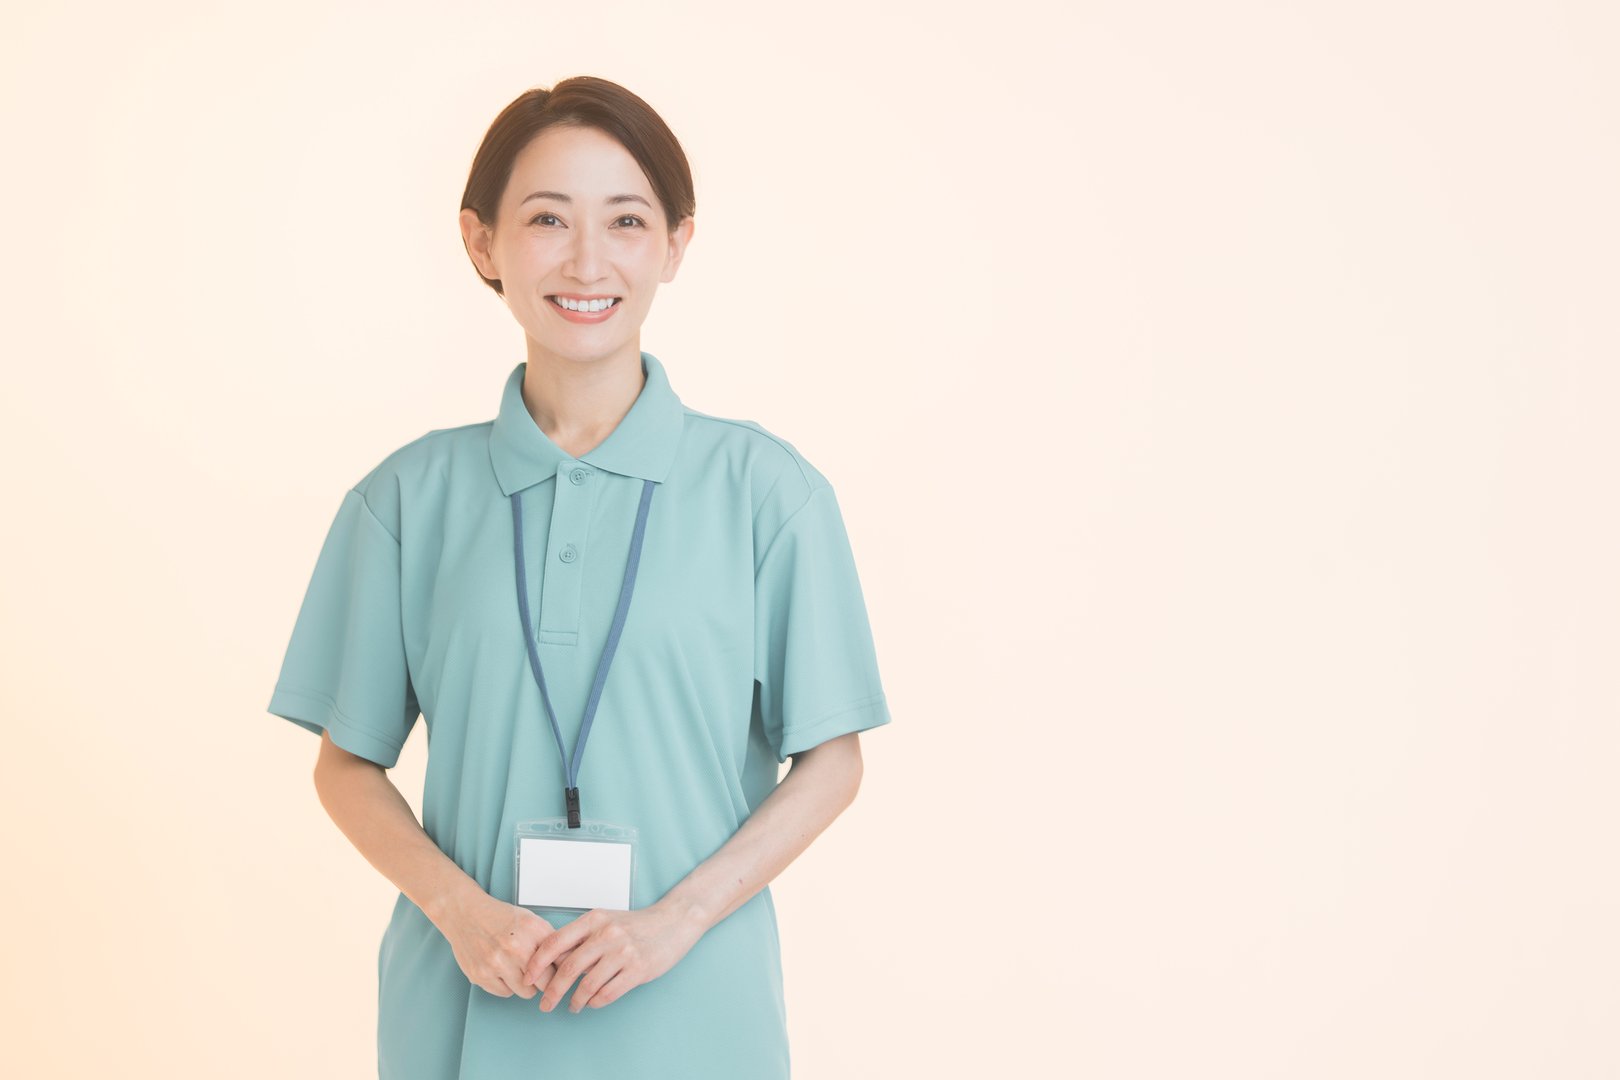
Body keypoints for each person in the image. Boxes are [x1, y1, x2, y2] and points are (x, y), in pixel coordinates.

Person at [265, 76, 892, 1078]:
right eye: (548, 219)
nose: (587, 261)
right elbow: (345, 766)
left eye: (627, 221)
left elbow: (833, 762)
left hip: (695, 1010)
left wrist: (676, 920)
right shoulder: (404, 500)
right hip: (465, 1006)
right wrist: (456, 908)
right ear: (482, 243)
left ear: (676, 245)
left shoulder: (767, 492)